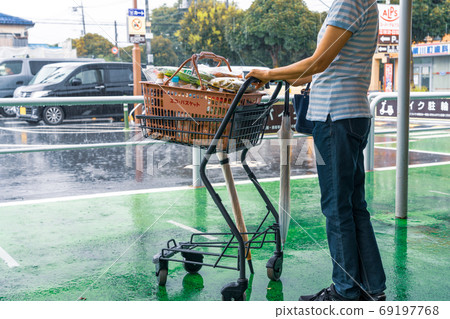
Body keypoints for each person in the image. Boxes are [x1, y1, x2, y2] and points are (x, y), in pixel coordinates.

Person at [247, 0, 386, 301]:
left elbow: (319, 62)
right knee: (353, 207)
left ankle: (346, 292)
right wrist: (285, 75)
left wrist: (269, 73)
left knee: (337, 208)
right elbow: (319, 69)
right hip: (350, 114)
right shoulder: (363, 3)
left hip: (336, 117)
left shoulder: (350, 2)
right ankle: (371, 288)